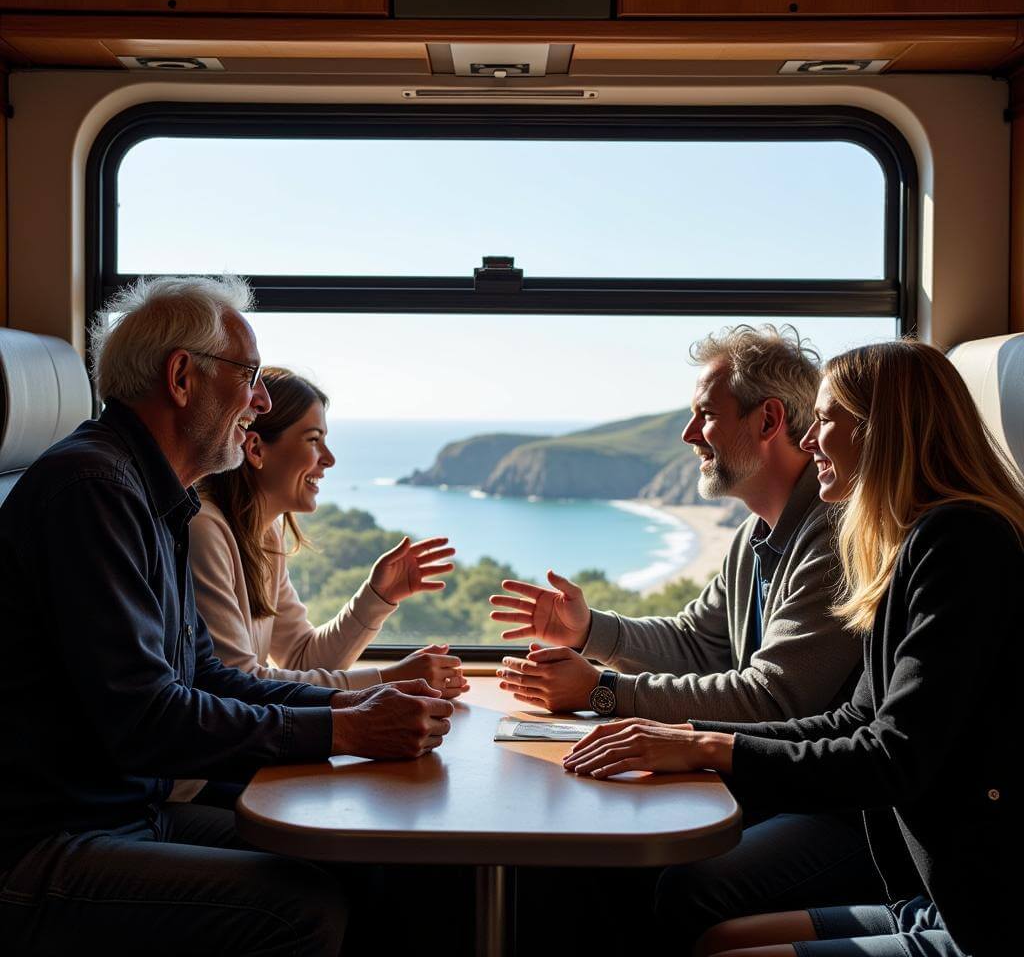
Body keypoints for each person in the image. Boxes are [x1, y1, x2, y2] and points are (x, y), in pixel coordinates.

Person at [0, 276, 455, 956]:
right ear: (183, 377)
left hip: (128, 817)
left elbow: (208, 677)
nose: (261, 400)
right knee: (300, 909)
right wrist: (343, 727)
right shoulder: (93, 492)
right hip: (44, 841)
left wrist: (358, 713)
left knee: (366, 860)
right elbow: (147, 720)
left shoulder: (158, 499)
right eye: (249, 377)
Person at [564, 340, 1020, 957]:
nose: (809, 442)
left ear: (884, 431)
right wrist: (679, 736)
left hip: (978, 914)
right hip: (928, 894)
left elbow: (892, 756)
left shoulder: (962, 543)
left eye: (828, 421)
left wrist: (689, 738)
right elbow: (853, 719)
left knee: (698, 909)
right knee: (713, 939)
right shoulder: (907, 544)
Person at [492, 326, 879, 947]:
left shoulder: (832, 538)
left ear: (768, 420)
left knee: (683, 884)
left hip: (837, 807)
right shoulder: (754, 537)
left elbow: (774, 700)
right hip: (774, 780)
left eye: (705, 415)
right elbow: (700, 642)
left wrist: (606, 694)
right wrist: (591, 630)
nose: (689, 434)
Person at [191, 366, 468, 696]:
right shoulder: (204, 529)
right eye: (313, 440)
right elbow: (236, 683)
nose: (330, 459)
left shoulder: (264, 534)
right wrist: (388, 680)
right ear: (255, 449)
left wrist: (376, 597)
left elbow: (301, 657)